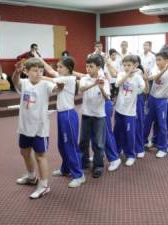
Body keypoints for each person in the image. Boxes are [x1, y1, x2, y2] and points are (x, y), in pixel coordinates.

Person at [12, 58, 63, 199]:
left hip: (40, 128)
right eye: (35, 70)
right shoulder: (24, 83)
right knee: (24, 152)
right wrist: (16, 72)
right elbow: (15, 80)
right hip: (24, 127)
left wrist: (60, 80)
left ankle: (44, 185)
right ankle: (31, 176)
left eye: (40, 70)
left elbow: (58, 88)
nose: (38, 73)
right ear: (26, 71)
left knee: (40, 156)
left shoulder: (46, 85)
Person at [40, 56, 85, 188]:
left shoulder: (69, 79)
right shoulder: (62, 76)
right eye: (57, 67)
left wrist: (36, 75)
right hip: (61, 114)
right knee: (62, 144)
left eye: (61, 67)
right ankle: (66, 168)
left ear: (69, 69)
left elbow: (51, 78)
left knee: (70, 145)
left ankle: (79, 175)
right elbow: (49, 70)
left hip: (69, 116)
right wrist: (39, 58)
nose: (58, 69)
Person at [79, 54, 110, 178]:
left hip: (99, 116)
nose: (88, 69)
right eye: (87, 66)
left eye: (91, 67)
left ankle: (98, 166)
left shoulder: (104, 80)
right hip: (86, 115)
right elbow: (81, 89)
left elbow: (107, 98)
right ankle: (84, 162)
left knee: (98, 143)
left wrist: (101, 88)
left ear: (98, 67)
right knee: (83, 142)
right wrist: (94, 84)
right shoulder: (84, 78)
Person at [113, 55, 146, 167]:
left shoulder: (137, 77)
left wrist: (140, 76)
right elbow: (117, 84)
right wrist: (127, 73)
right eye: (125, 65)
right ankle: (117, 150)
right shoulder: (122, 74)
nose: (126, 67)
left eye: (129, 65)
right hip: (119, 109)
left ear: (135, 65)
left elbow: (143, 89)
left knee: (129, 134)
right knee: (117, 131)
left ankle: (131, 155)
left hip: (130, 111)